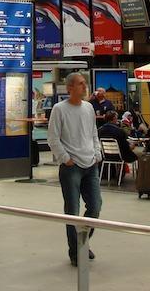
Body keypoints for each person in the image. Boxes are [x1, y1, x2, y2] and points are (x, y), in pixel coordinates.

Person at [47, 72, 102, 267]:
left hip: (90, 164)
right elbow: (53, 137)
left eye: (84, 83)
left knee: (95, 206)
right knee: (72, 210)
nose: (84, 86)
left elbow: (93, 133)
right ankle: (75, 252)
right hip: (72, 167)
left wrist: (97, 153)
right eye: (80, 83)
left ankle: (83, 242)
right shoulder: (59, 109)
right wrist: (66, 159)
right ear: (70, 88)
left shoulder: (88, 108)